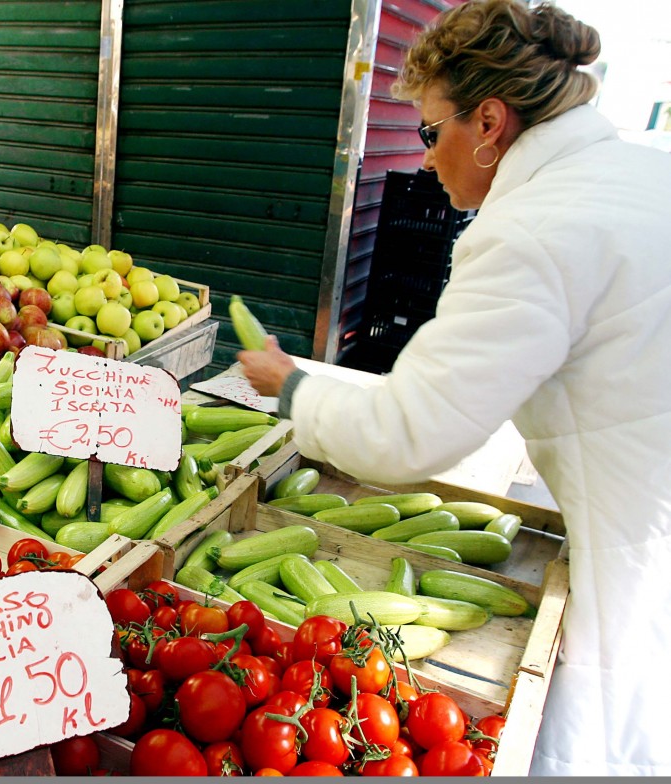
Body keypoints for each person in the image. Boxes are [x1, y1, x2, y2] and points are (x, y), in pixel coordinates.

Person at [238, 0, 671, 776]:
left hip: (639, 540)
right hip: (639, 499)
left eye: (432, 132)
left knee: (604, 735)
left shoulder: (534, 228)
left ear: (491, 123)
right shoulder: (640, 168)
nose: (427, 156)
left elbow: (412, 434)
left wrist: (292, 386)